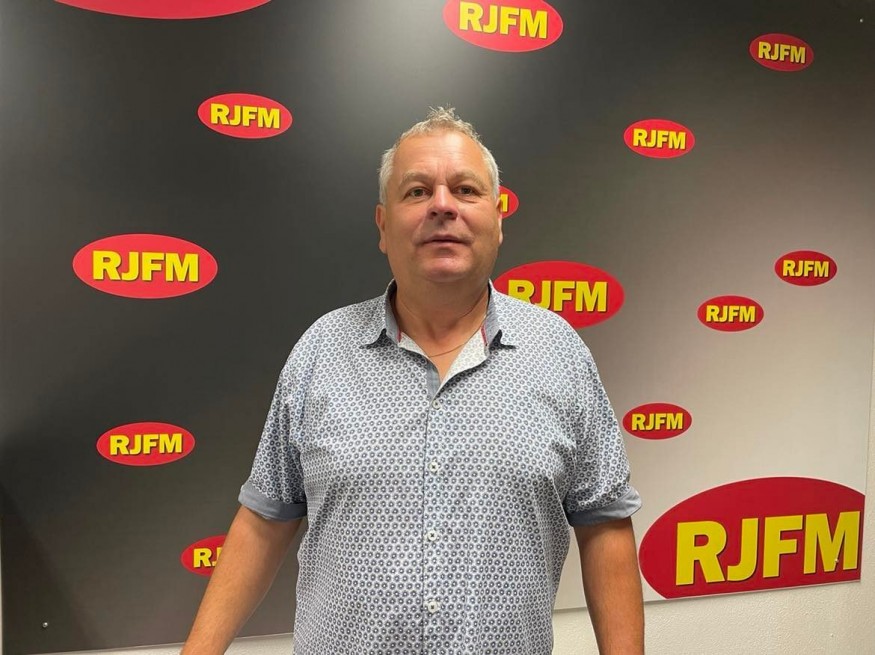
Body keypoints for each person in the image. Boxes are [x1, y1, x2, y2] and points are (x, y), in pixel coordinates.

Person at [181, 107, 644, 654]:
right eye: (417, 191)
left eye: (466, 190)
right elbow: (264, 521)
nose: (442, 206)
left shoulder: (559, 352)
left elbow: (604, 526)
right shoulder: (322, 350)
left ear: (498, 219)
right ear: (383, 226)